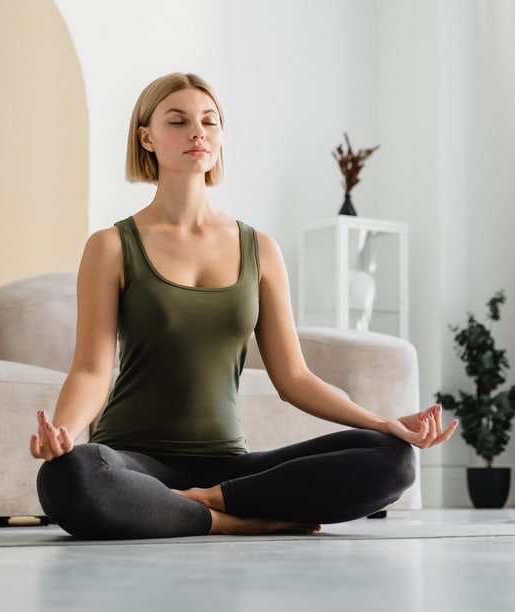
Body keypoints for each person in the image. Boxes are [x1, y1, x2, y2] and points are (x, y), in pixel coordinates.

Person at [30, 72, 457, 539]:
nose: (198, 132)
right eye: (178, 121)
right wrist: (66, 435)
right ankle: (236, 522)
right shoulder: (111, 246)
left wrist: (383, 422)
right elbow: (91, 370)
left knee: (393, 460)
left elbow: (294, 378)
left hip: (230, 468)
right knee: (67, 477)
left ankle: (209, 503)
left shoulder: (260, 249)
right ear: (146, 137)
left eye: (209, 122)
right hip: (133, 461)